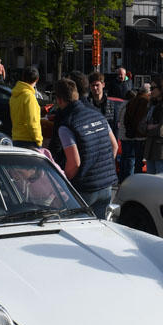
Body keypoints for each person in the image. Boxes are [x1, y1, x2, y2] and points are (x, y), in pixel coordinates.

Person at [48, 78, 119, 219]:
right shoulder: (98, 115)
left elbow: (74, 163)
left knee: (69, 226)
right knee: (98, 229)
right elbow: (114, 146)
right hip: (106, 185)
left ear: (59, 100)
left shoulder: (67, 124)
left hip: (84, 187)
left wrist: (64, 181)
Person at [141, 77, 163, 174]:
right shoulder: (151, 106)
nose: (150, 91)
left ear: (162, 89)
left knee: (162, 184)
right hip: (150, 150)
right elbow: (141, 126)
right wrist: (149, 127)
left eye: (153, 88)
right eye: (150, 88)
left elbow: (161, 131)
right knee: (151, 185)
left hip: (162, 152)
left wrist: (149, 128)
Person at [9, 66, 42, 148]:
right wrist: (39, 140)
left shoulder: (14, 95)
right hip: (29, 141)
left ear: (23, 77)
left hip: (16, 138)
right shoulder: (29, 97)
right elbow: (32, 122)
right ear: (37, 79)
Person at [124, 83, 151, 174]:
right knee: (144, 160)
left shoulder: (131, 101)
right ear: (148, 92)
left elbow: (126, 119)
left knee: (135, 159)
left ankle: (134, 177)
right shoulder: (148, 101)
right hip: (143, 134)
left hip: (133, 134)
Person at [117, 89, 137, 182]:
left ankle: (122, 177)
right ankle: (129, 179)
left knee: (124, 157)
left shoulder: (122, 105)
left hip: (122, 135)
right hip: (128, 135)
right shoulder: (129, 107)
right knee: (130, 158)